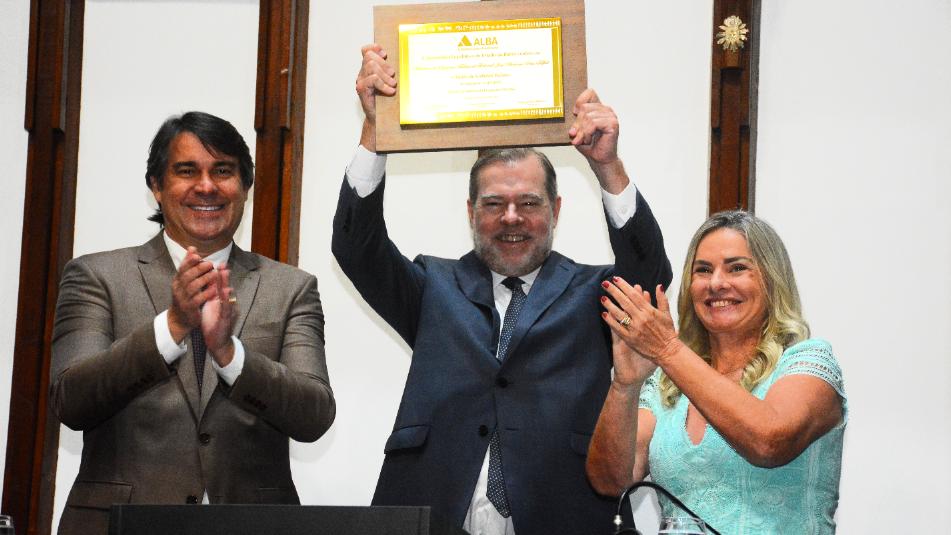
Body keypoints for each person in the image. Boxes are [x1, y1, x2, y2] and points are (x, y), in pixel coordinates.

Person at [331, 44, 672, 535]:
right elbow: (355, 248)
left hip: (563, 516)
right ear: (471, 212)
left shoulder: (593, 292)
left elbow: (650, 276)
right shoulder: (433, 286)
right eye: (494, 204)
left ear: (556, 210)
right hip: (435, 514)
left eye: (529, 203)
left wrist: (607, 166)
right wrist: (375, 131)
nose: (512, 218)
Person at [50, 112, 335, 535]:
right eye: (186, 171)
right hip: (121, 525)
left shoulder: (292, 288)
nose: (206, 186)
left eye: (223, 171)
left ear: (245, 186)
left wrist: (230, 355)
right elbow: (71, 400)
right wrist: (172, 326)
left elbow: (314, 415)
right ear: (156, 186)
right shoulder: (95, 276)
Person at [588, 210, 847, 533]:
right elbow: (611, 481)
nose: (716, 283)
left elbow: (769, 442)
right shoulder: (666, 383)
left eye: (737, 268)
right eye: (703, 270)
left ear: (771, 279)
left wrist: (668, 349)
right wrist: (625, 385)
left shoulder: (808, 362)